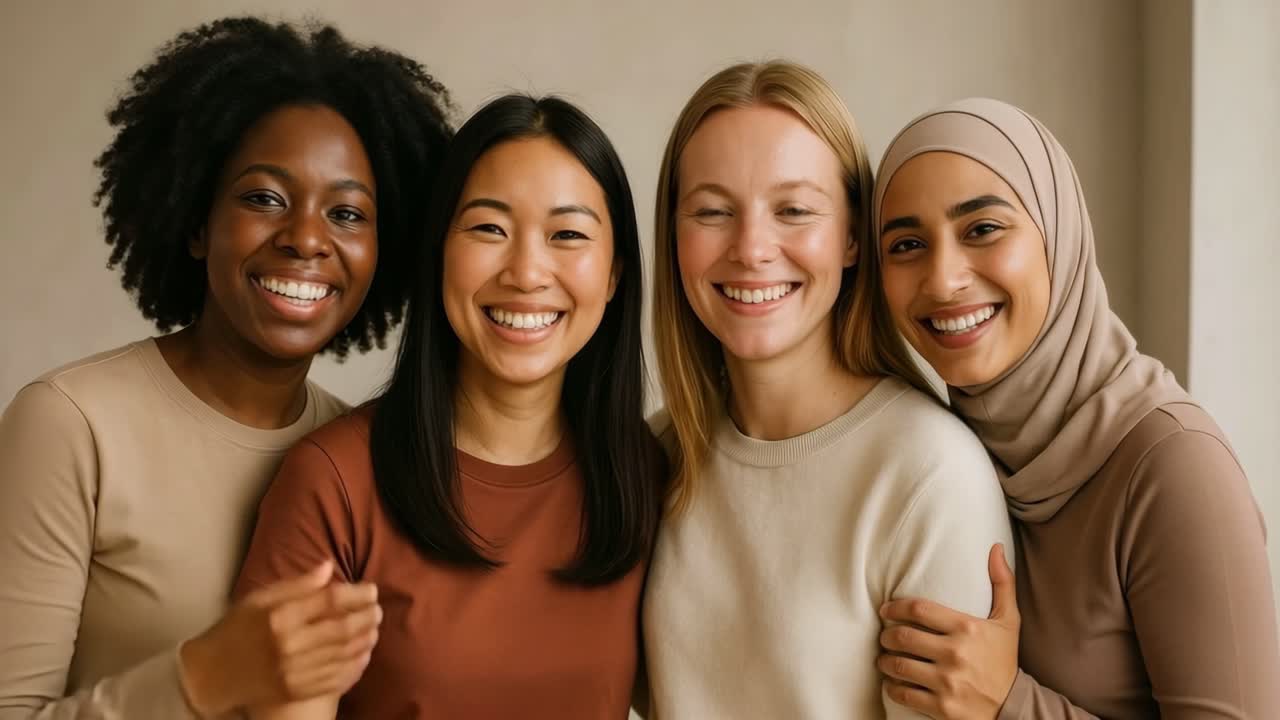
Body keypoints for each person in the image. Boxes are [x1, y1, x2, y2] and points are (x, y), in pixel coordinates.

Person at [0, 17, 451, 718]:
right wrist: (199, 679)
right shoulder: (70, 425)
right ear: (195, 221)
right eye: (263, 198)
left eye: (347, 213)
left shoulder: (363, 453)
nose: (306, 237)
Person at [234, 94, 666, 719]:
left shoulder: (643, 478)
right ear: (439, 250)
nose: (525, 272)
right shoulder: (336, 482)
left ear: (615, 274)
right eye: (489, 228)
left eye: (567, 235)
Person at [873, 97, 1280, 719]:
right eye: (906, 244)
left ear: (1057, 238)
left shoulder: (1173, 465)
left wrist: (1009, 704)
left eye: (982, 229)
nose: (943, 278)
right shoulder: (936, 450)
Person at [642, 60, 1013, 719]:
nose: (752, 248)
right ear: (674, 238)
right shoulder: (655, 456)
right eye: (713, 211)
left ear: (849, 237)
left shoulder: (926, 472)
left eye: (793, 210)